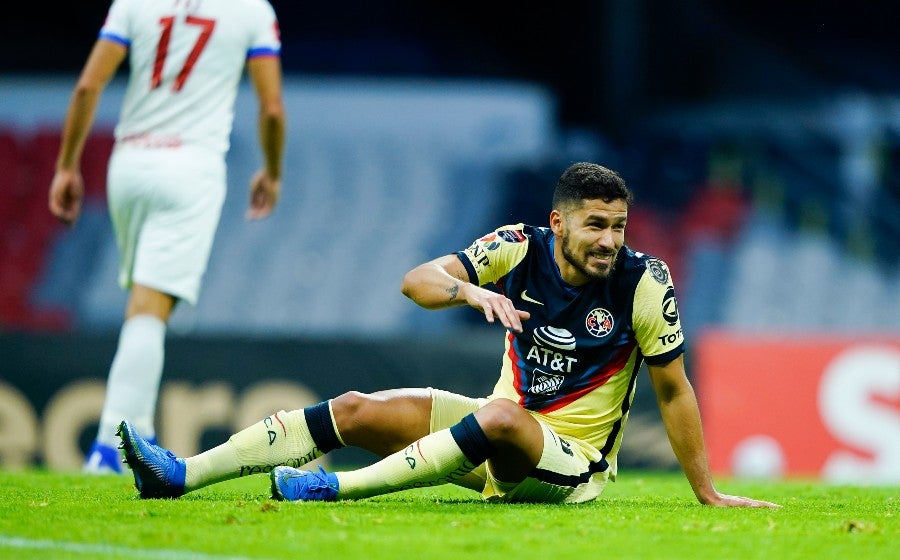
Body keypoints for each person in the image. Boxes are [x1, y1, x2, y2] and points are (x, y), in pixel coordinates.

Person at [118, 162, 779, 508]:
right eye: (596, 225)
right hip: (497, 430)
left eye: (619, 226)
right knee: (353, 408)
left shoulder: (644, 284)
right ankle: (179, 476)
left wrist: (707, 491)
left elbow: (674, 391)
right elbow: (417, 280)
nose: (609, 240)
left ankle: (329, 487)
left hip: (570, 465)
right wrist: (468, 289)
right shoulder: (519, 247)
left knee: (500, 417)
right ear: (560, 221)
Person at [49, 0, 286, 474]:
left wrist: (66, 165)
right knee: (149, 312)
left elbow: (87, 85)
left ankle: (140, 432)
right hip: (190, 168)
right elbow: (273, 108)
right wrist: (272, 172)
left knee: (146, 305)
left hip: (130, 164)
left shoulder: (133, 3)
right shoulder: (251, 11)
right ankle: (108, 448)